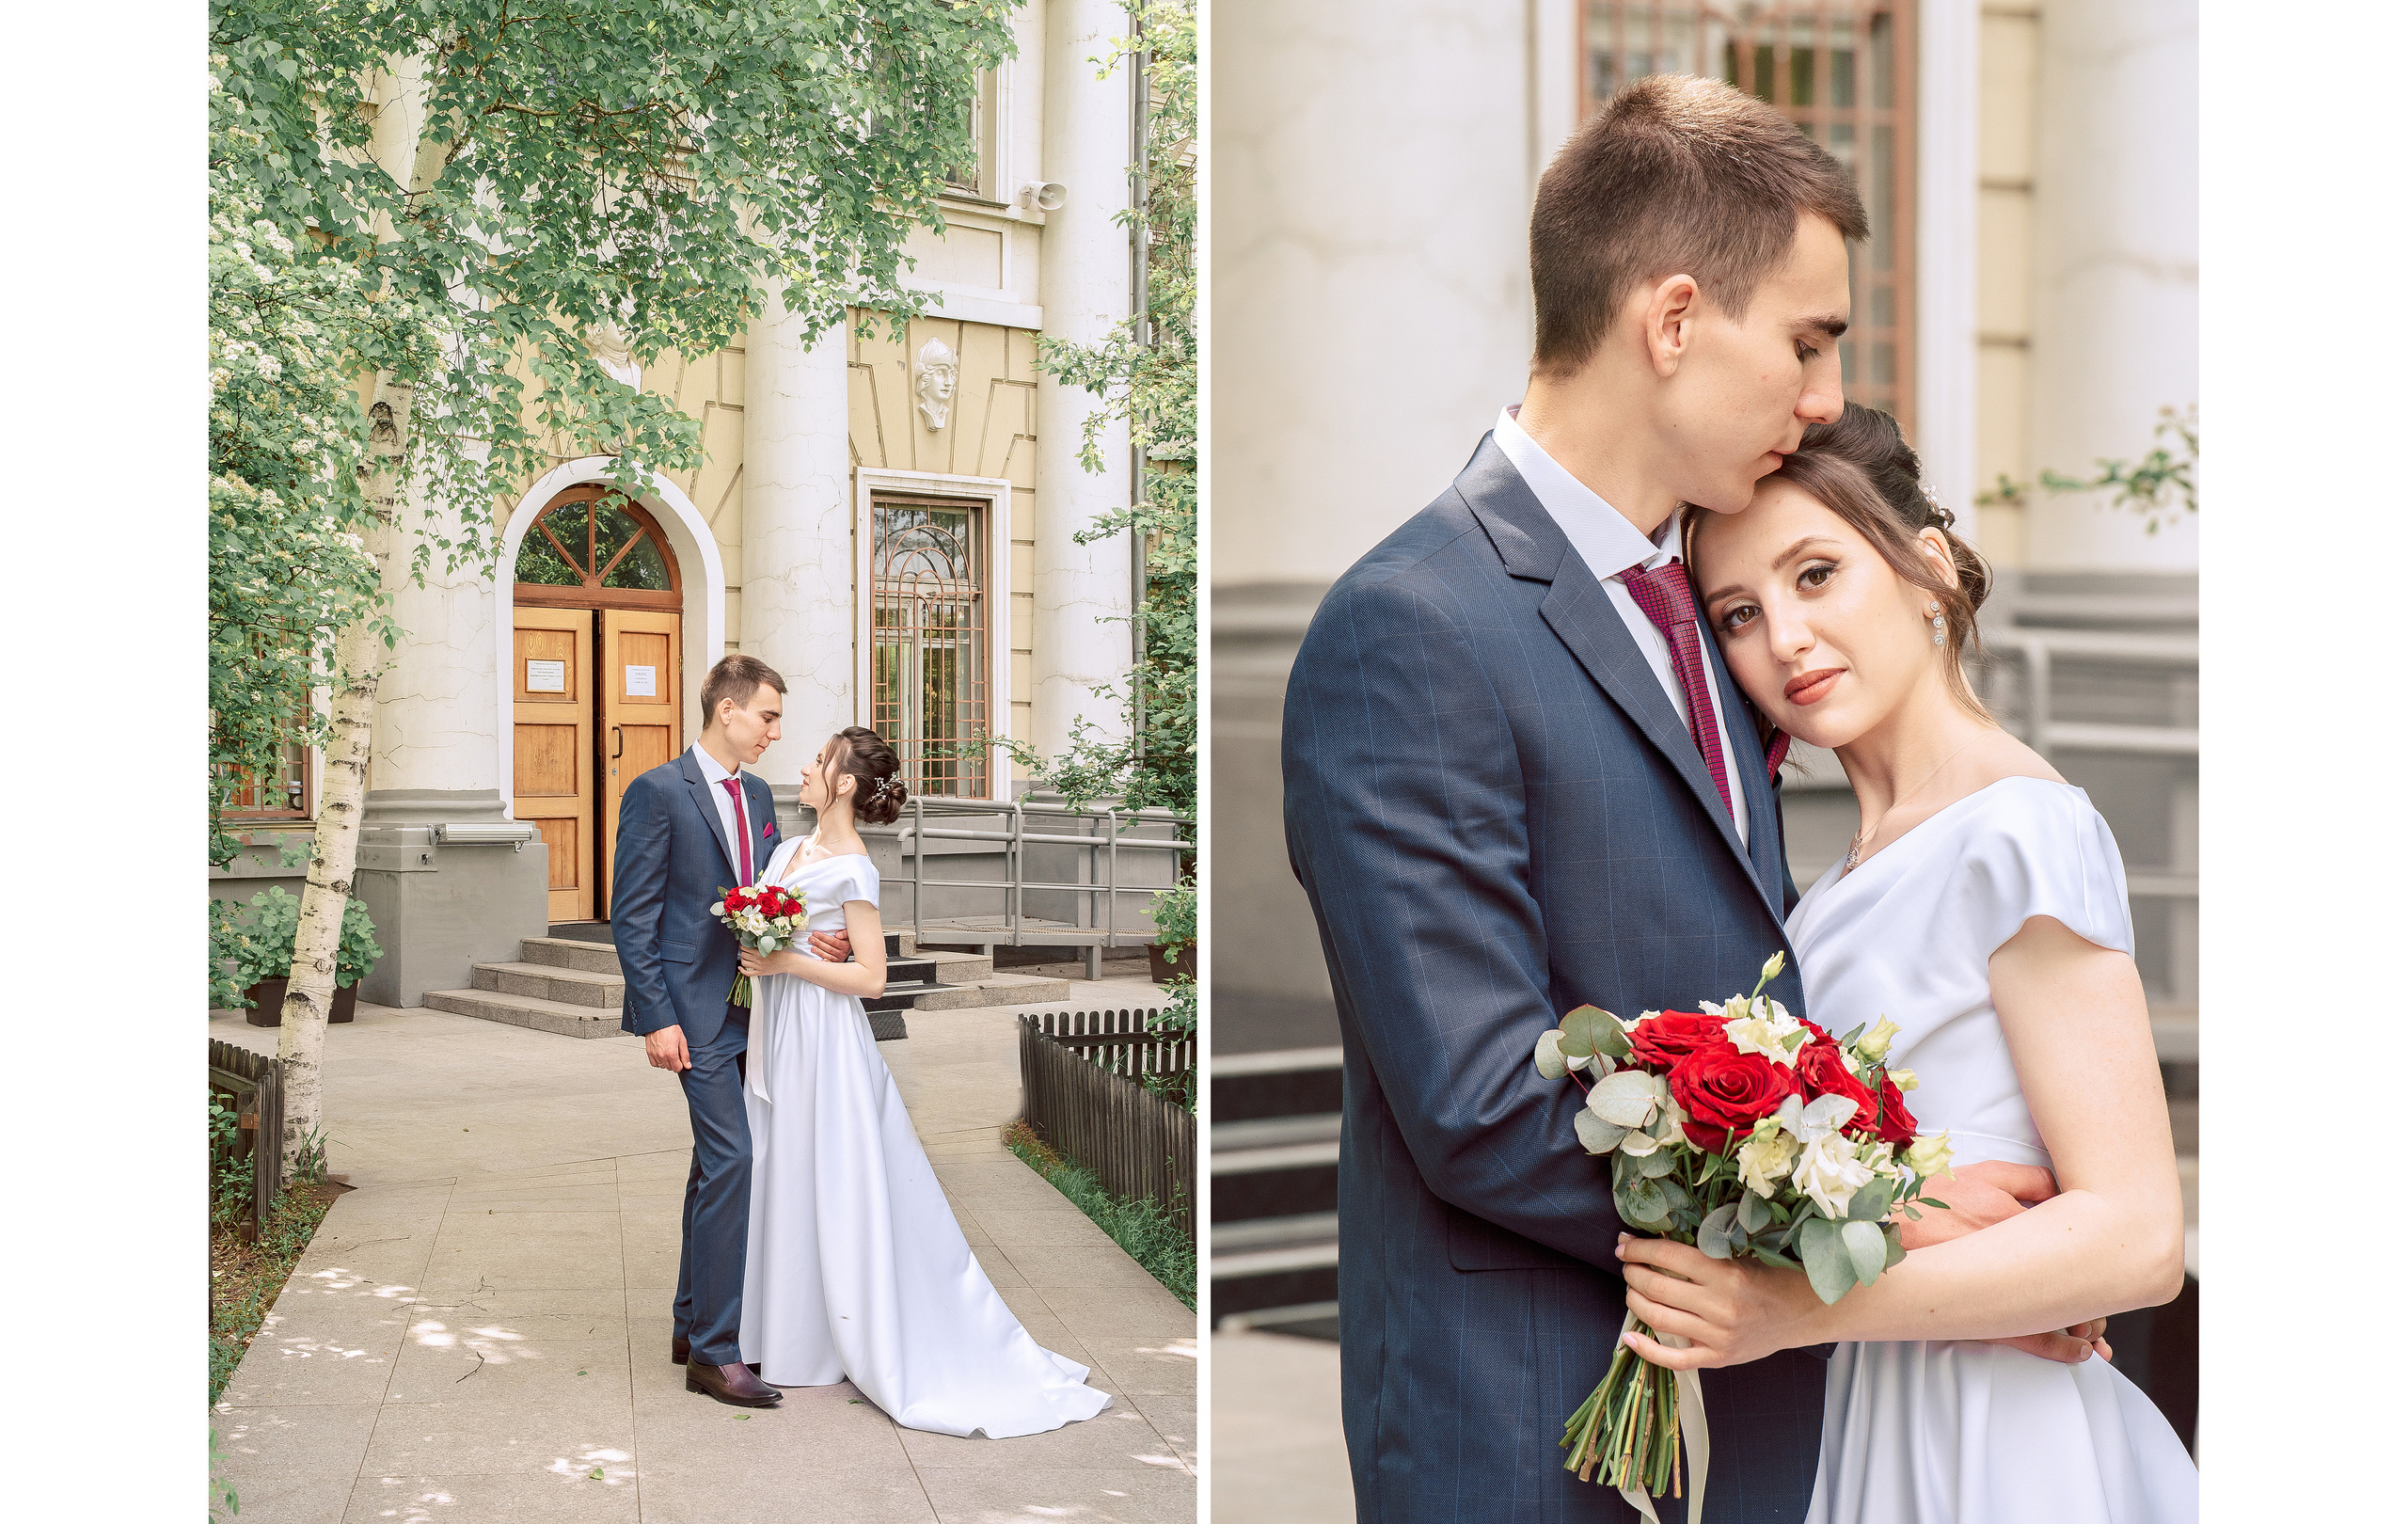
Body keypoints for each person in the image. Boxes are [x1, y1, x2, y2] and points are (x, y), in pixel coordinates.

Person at [1283, 75, 2093, 1523]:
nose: (1828, 394)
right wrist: (1878, 1231)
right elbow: (1476, 1101)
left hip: (1770, 1416)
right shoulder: (1410, 624)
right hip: (1524, 1414)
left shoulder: (1713, 611)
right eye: (1807, 340)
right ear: (1671, 322)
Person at [1606, 403, 2195, 1521]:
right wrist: (1900, 1205)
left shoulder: (2018, 830)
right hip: (1862, 1397)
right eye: (1738, 612)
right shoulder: (1826, 883)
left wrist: (1795, 1308)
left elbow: (2136, 1234)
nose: (1781, 637)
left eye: (1815, 574)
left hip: (1984, 1429)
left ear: (1925, 569)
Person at [731, 726, 1114, 1437]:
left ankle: (824, 1340)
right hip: (779, 1032)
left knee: (828, 1177)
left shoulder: (853, 867)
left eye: (819, 761)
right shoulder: (788, 850)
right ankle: (780, 1332)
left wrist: (788, 964)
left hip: (824, 1040)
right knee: (781, 1171)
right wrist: (769, 940)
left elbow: (871, 979)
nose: (807, 768)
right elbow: (769, 928)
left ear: (844, 783)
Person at [613, 654, 840, 1409]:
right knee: (735, 1159)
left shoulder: (759, 796)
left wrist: (815, 944)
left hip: (758, 1009)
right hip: (695, 1011)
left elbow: (771, 896)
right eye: (769, 716)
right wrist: (658, 1018)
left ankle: (688, 1322)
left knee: (711, 1168)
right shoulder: (657, 793)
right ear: (728, 712)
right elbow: (633, 916)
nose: (776, 731)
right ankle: (714, 1354)